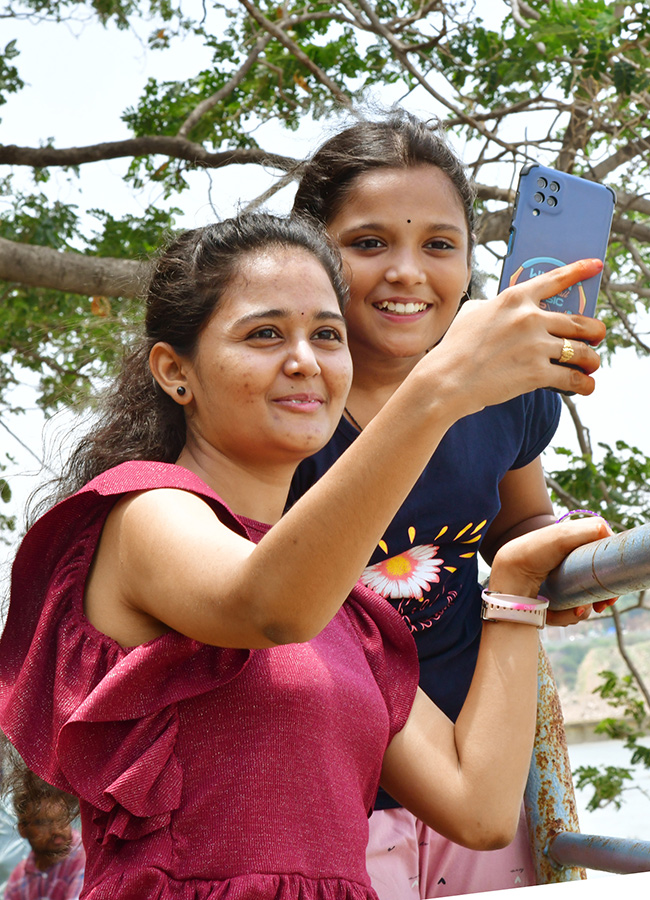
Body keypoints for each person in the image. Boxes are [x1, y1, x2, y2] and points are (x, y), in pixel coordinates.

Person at [0, 213, 609, 900]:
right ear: (176, 371)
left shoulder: (345, 604)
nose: (306, 361)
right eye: (265, 334)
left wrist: (514, 587)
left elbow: (480, 808)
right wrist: (438, 389)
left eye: (327, 334)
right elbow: (266, 607)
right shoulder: (147, 515)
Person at [290, 111, 615, 897]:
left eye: (439, 245)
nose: (408, 272)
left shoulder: (507, 399)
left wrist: (560, 553)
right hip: (327, 789)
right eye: (369, 244)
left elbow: (518, 520)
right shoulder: (283, 410)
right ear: (307, 257)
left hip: (481, 759)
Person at [4, 769, 84, 900]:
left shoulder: (85, 859)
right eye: (43, 823)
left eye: (62, 819)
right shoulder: (19, 877)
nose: (56, 830)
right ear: (23, 829)